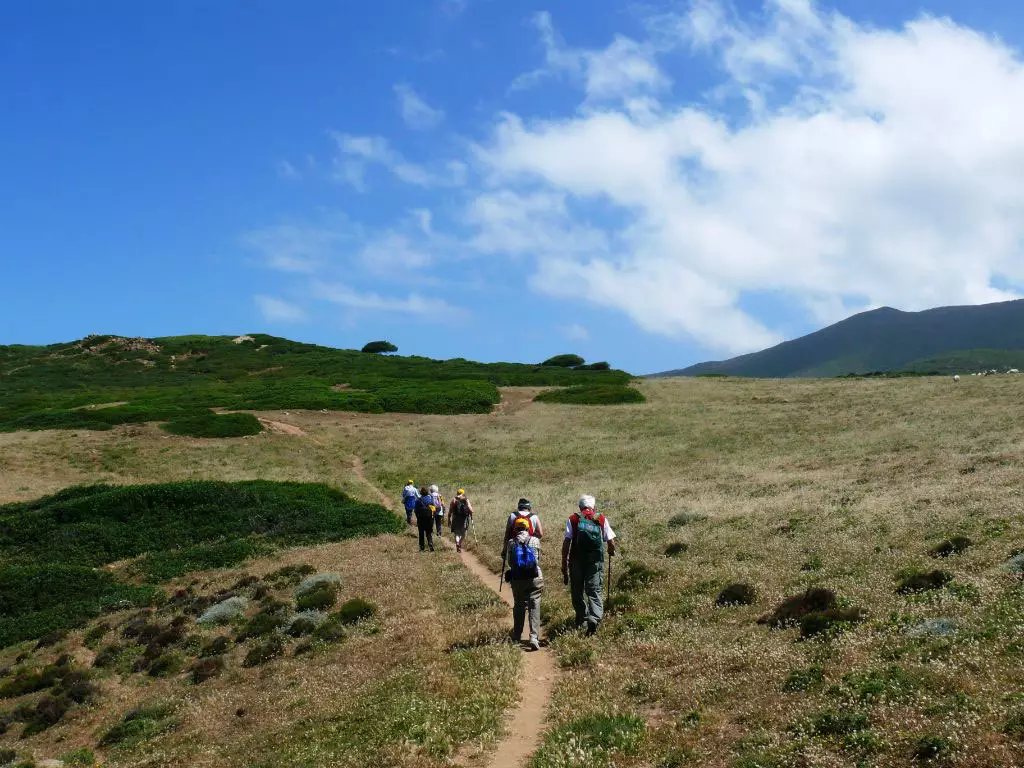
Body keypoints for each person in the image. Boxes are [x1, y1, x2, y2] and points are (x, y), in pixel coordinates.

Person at [561, 494, 616, 635]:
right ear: (593, 507)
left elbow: (567, 542)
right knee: (594, 590)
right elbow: (610, 540)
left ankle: (582, 618)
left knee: (577, 591)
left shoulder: (573, 519)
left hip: (576, 560)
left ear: (580, 507)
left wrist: (564, 563)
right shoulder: (600, 518)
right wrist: (611, 551)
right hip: (594, 561)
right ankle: (594, 618)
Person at [504, 517, 543, 651]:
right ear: (528, 528)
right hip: (535, 578)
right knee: (534, 605)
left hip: (518, 579)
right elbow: (537, 560)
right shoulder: (535, 541)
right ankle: (533, 637)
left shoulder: (511, 543)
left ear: (516, 529)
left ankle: (517, 634)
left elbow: (510, 562)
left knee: (519, 605)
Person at [413, 487, 437, 552]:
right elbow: (434, 509)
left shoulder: (418, 500)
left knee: (421, 533)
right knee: (429, 532)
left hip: (421, 519)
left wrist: (418, 517)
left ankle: (422, 548)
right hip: (429, 518)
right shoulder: (430, 500)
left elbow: (415, 510)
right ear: (427, 492)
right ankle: (430, 544)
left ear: (421, 492)